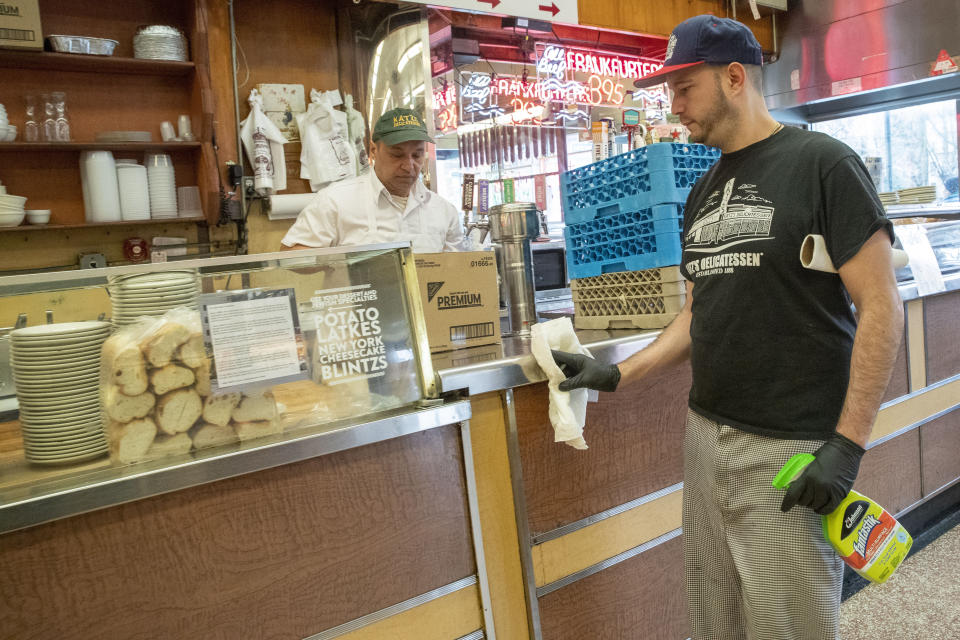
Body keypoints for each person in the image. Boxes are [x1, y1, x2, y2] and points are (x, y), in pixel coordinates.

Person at [551, 15, 903, 640]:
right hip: (706, 439)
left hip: (792, 453)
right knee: (715, 624)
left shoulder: (824, 164)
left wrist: (846, 447)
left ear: (734, 77)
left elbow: (881, 306)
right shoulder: (703, 190)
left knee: (790, 628)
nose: (673, 105)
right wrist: (615, 374)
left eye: (684, 88)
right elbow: (698, 314)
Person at [281, 107, 463, 252]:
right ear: (373, 150)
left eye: (417, 155)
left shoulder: (444, 211)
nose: (409, 166)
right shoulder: (335, 201)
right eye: (397, 155)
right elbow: (290, 252)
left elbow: (457, 269)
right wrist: (345, 263)